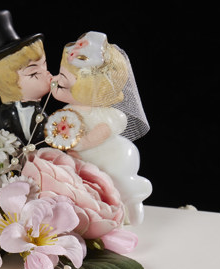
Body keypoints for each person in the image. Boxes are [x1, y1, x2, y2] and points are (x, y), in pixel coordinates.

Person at [49, 31, 152, 225]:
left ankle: (130, 206)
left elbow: (95, 136)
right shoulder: (68, 110)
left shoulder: (105, 115)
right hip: (85, 158)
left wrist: (76, 145)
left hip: (111, 156)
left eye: (63, 78)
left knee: (116, 185)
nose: (55, 81)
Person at [0, 11, 51, 145]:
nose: (47, 74)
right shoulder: (6, 113)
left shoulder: (40, 113)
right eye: (34, 73)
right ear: (8, 83)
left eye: (45, 65)